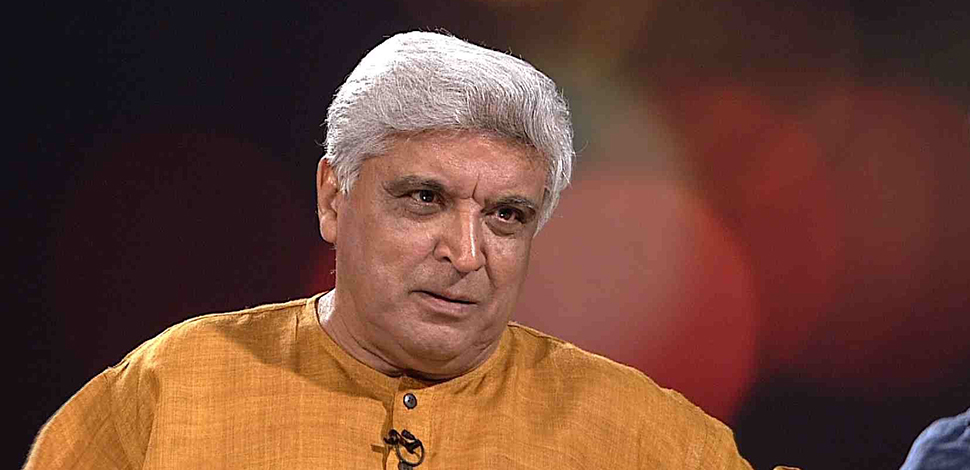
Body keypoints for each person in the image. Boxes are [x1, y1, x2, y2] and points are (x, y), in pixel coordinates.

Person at [24, 31, 795, 469]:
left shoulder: (642, 437)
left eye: (506, 215)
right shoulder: (169, 395)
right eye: (424, 199)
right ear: (334, 198)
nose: (465, 253)